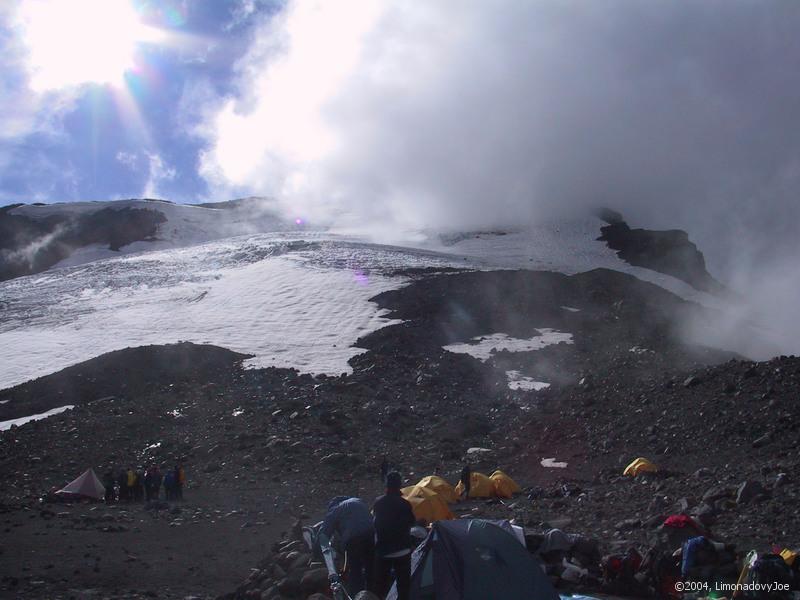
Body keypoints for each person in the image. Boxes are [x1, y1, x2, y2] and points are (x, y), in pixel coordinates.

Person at [373, 472, 416, 600]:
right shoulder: (405, 504)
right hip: (403, 549)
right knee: (403, 587)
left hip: (384, 551)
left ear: (386, 486)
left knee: (381, 586)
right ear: (399, 486)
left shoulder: (379, 503)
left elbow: (376, 524)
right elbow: (411, 522)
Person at [320, 496, 375, 595]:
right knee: (370, 567)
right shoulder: (359, 501)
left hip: (353, 539)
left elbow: (324, 535)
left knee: (355, 570)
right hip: (371, 534)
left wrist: (319, 553)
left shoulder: (335, 510)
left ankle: (356, 595)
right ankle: (373, 593)